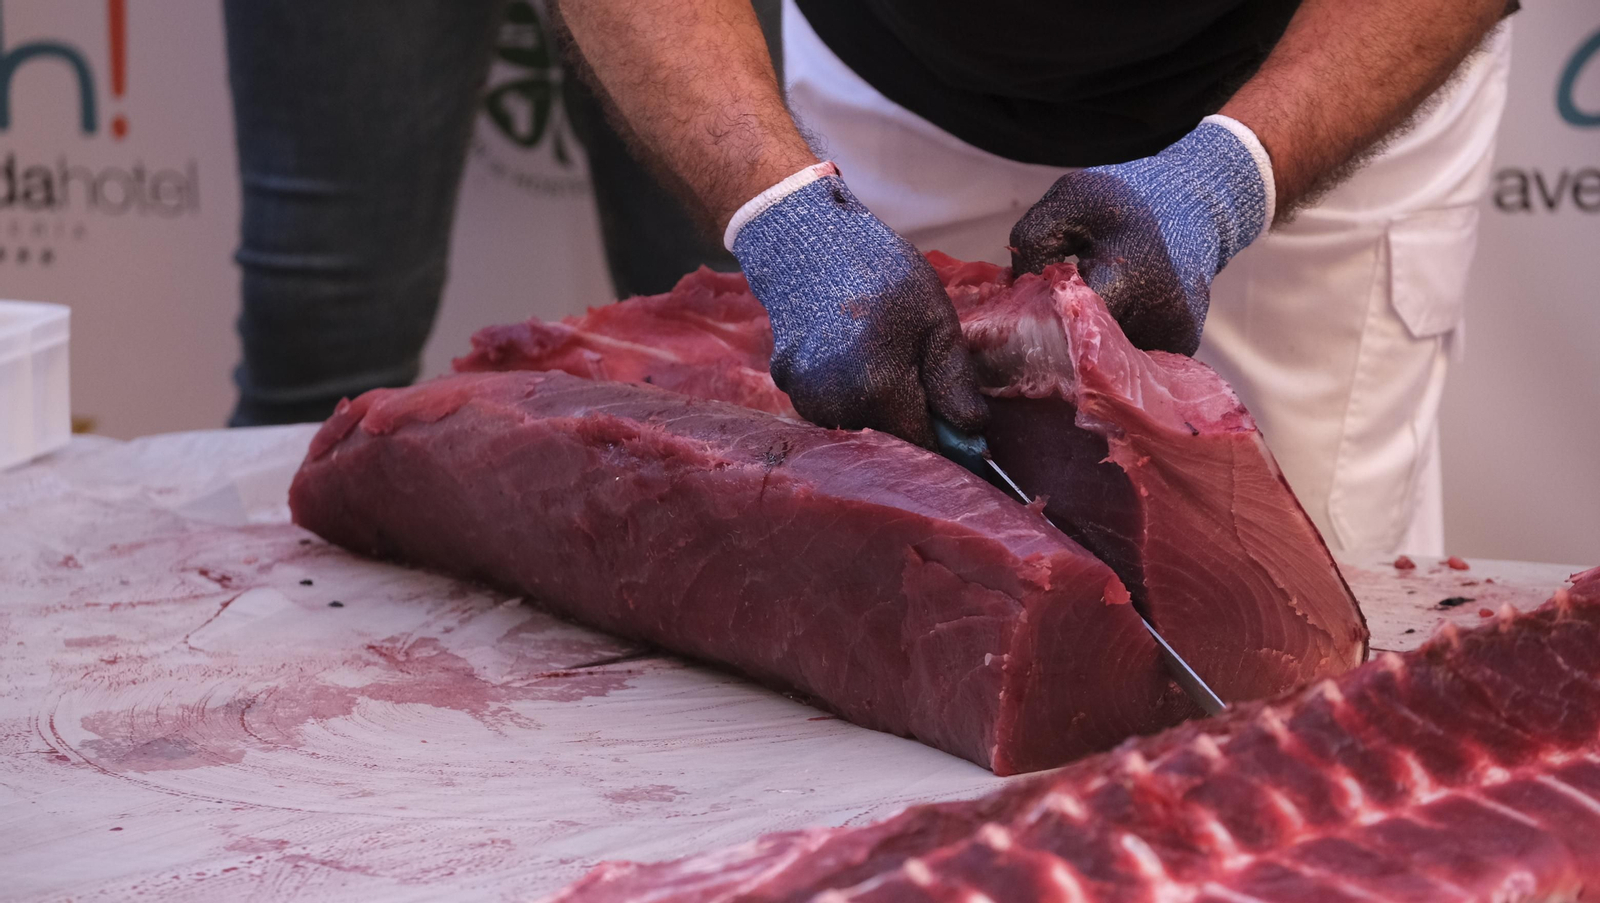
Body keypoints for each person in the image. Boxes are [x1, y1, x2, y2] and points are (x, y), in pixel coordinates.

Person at [556, 0, 1514, 556]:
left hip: (1296, 74)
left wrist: (1230, 181)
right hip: (891, 84)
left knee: (1296, 602)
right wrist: (786, 216)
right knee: (916, 610)